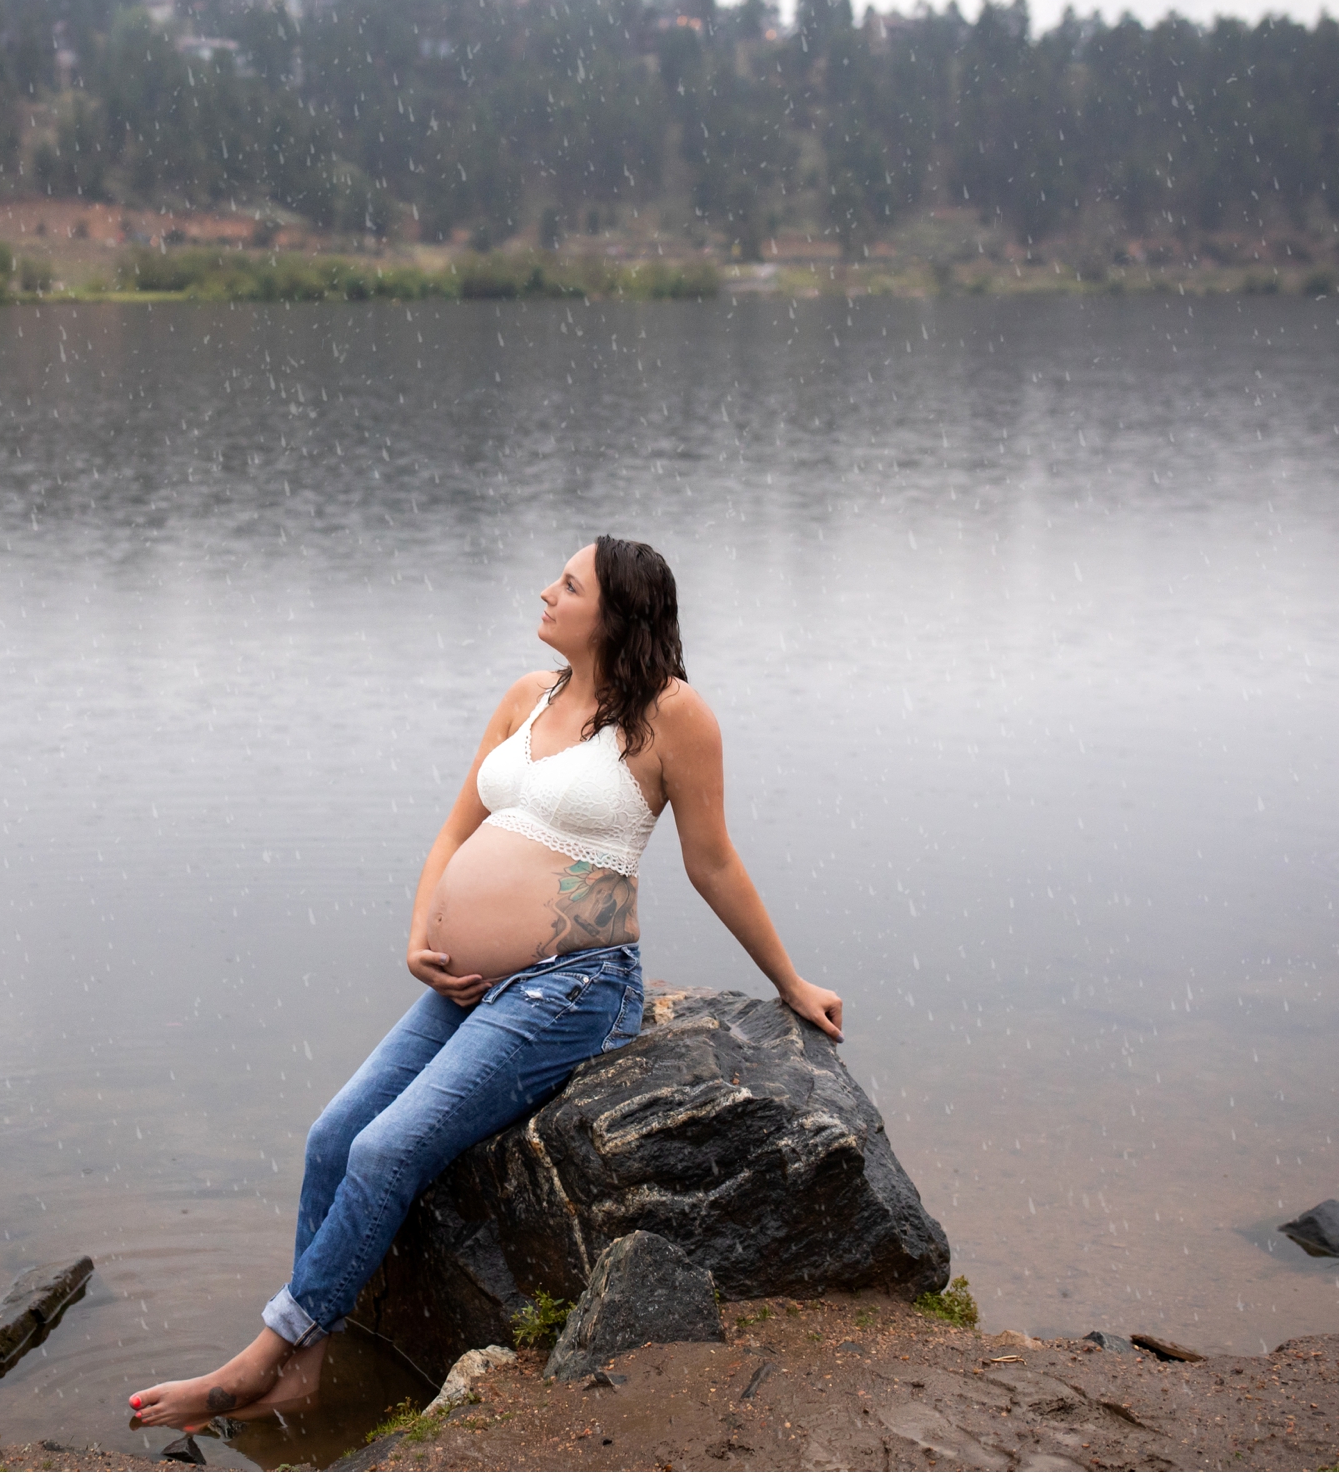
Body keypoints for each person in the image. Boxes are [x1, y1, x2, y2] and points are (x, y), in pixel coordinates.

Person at [129, 536, 844, 1430]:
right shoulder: (524, 697)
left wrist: (790, 979)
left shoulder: (674, 717)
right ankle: (307, 1367)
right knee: (331, 1138)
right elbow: (453, 831)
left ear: (616, 613)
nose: (546, 591)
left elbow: (714, 864)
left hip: (576, 986)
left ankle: (265, 1352)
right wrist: (421, 929)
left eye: (569, 583)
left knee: (388, 1151)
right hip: (464, 984)